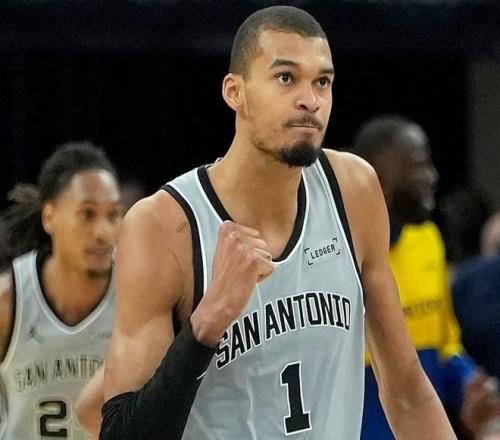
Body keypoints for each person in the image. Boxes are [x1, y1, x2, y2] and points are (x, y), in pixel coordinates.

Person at [81, 7, 455, 439]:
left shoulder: (353, 189)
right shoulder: (164, 226)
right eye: (286, 78)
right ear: (234, 92)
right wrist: (206, 324)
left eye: (322, 82)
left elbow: (406, 389)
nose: (310, 100)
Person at [351, 115, 475, 439]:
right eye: (419, 165)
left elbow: (445, 344)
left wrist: (470, 383)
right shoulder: (339, 255)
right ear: (377, 176)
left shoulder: (428, 239)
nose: (432, 177)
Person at [0, 141, 122, 439]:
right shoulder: (8, 301)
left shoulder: (137, 294)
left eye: (113, 215)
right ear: (49, 216)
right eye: (87, 214)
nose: (104, 232)